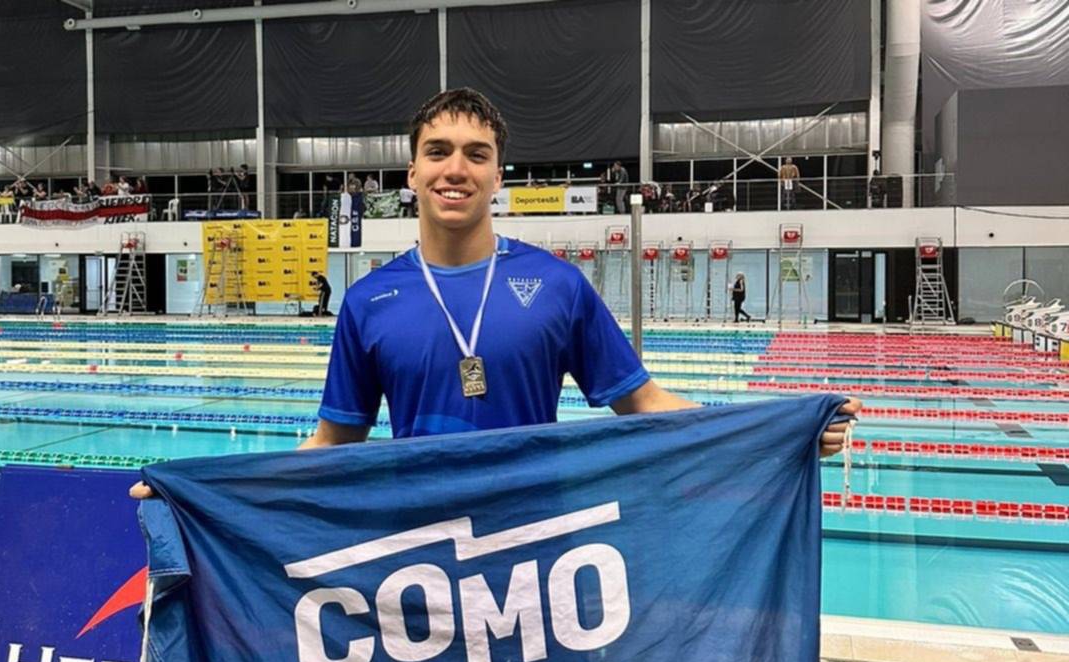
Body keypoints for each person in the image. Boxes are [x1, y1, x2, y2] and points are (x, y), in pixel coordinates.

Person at [130, 88, 859, 498]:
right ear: (411, 173)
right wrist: (204, 491)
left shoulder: (557, 286)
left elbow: (645, 403)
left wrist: (775, 430)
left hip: (537, 553)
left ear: (497, 175)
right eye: (438, 152)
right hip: (413, 555)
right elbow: (331, 444)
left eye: (476, 154)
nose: (456, 168)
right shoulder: (368, 301)